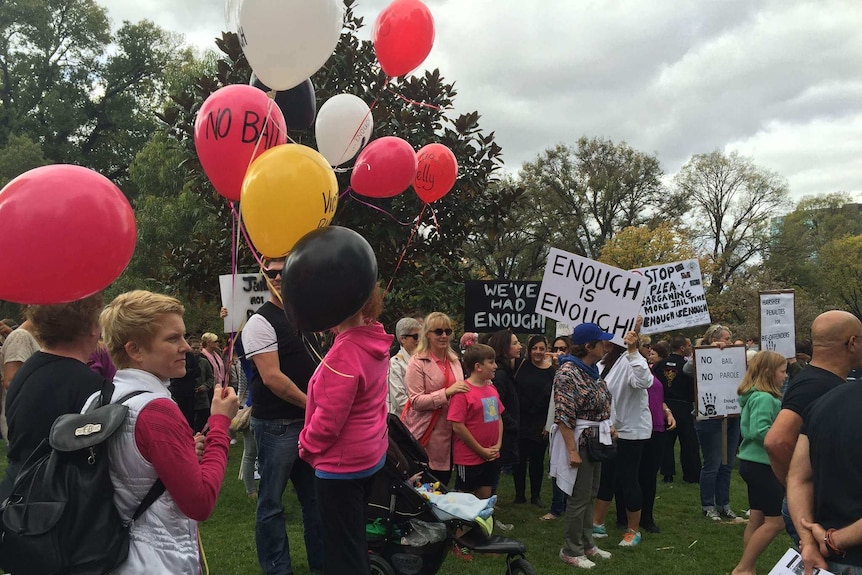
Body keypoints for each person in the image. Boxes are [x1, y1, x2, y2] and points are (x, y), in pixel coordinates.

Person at [97, 290, 238, 574]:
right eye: (173, 338)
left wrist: (184, 450)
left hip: (113, 553)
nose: (186, 346)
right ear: (134, 350)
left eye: (184, 336)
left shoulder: (100, 398)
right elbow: (199, 503)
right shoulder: (157, 410)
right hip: (159, 560)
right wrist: (221, 425)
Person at [298, 288, 392, 575]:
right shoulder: (373, 336)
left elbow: (328, 421)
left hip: (341, 466)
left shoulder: (346, 352)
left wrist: (305, 444)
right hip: (368, 456)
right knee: (353, 542)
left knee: (342, 555)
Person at [241, 257, 323, 575]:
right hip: (277, 426)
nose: (277, 277)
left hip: (308, 424)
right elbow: (273, 378)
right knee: (271, 504)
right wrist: (315, 405)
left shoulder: (308, 318)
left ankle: (321, 562)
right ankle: (277, 568)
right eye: (270, 272)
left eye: (283, 271)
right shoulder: (259, 322)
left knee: (316, 501)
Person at [764, 310, 862, 546]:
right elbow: (776, 441)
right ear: (852, 343)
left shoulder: (823, 380)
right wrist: (800, 488)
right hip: (819, 514)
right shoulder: (816, 385)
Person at [0, 295, 105, 501]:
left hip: (16, 492)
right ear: (93, 328)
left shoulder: (27, 371)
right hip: (58, 507)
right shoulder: (93, 387)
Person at [551, 323, 615, 569]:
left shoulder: (591, 370)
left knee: (590, 494)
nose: (605, 346)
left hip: (595, 438)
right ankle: (571, 549)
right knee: (579, 497)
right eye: (601, 343)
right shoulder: (568, 373)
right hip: (580, 440)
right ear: (589, 346)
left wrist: (607, 423)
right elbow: (564, 415)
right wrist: (572, 450)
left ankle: (587, 543)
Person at [787, 373, 862, 575]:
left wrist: (810, 541)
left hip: (826, 558)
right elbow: (799, 477)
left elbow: (798, 477)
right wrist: (830, 541)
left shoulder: (824, 403)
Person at [592, 327, 653, 547]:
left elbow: (645, 381)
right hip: (609, 429)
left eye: (608, 341)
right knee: (606, 477)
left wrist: (633, 350)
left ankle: (633, 530)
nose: (603, 344)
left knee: (628, 478)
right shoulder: (602, 363)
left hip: (631, 432)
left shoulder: (631, 360)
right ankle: (597, 523)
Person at [731, 351, 787, 575]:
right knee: (776, 522)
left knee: (757, 518)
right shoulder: (765, 398)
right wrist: (784, 442)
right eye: (782, 371)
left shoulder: (755, 395)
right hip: (763, 465)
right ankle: (743, 568)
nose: (785, 376)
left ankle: (748, 566)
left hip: (752, 463)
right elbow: (759, 430)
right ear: (768, 372)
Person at [401, 312, 469, 486]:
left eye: (448, 331)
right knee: (427, 487)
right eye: (439, 331)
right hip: (426, 434)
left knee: (445, 485)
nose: (444, 335)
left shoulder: (454, 360)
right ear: (428, 334)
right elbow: (415, 401)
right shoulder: (417, 361)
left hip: (452, 433)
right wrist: (446, 393)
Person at [688, 324, 742, 521]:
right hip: (710, 418)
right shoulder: (702, 355)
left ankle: (723, 504)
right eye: (726, 338)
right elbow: (687, 369)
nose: (728, 342)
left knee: (727, 464)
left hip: (732, 415)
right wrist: (708, 351)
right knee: (713, 463)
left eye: (729, 338)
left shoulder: (733, 356)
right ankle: (708, 505)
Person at [448, 343, 503, 499]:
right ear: (478, 366)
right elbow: (458, 426)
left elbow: (498, 417)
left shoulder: (491, 388)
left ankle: (482, 523)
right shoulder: (462, 392)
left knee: (485, 496)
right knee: (466, 500)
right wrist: (480, 450)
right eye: (491, 362)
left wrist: (497, 445)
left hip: (491, 455)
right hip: (469, 458)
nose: (495, 366)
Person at [513, 335, 554, 508]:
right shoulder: (520, 365)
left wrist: (548, 423)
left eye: (541, 348)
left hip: (540, 422)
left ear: (546, 349)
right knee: (519, 460)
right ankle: (519, 494)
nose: (538, 352)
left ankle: (536, 495)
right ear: (529, 350)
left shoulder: (552, 371)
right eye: (534, 348)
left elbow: (554, 399)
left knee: (537, 461)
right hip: (520, 419)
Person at [639, 341, 675, 534]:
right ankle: (628, 515)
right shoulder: (633, 371)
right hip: (639, 428)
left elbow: (658, 398)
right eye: (647, 349)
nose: (649, 352)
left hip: (658, 427)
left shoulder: (651, 371)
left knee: (649, 475)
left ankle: (647, 516)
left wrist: (667, 411)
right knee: (635, 474)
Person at [654, 335, 700, 484]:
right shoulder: (687, 366)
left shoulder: (660, 365)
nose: (690, 348)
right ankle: (691, 475)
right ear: (682, 347)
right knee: (689, 442)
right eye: (688, 345)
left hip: (665, 405)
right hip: (684, 405)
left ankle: (667, 474)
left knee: (667, 442)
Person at [541, 335, 574, 521]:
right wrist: (548, 424)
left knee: (569, 465)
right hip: (556, 423)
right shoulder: (554, 370)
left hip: (570, 425)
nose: (559, 352)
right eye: (556, 348)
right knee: (555, 466)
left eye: (564, 349)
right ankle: (556, 506)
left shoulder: (573, 369)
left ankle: (569, 504)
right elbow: (553, 402)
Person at [487, 329, 522, 495]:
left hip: (507, 428)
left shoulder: (506, 370)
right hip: (503, 430)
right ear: (504, 347)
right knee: (493, 471)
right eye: (514, 343)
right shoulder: (500, 374)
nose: (519, 346)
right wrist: (511, 423)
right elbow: (496, 403)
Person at [387, 317, 422, 415]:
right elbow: (400, 401)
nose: (419, 340)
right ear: (403, 339)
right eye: (415, 336)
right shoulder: (395, 365)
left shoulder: (422, 360)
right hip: (403, 422)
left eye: (421, 336)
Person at [169, 338, 202, 430]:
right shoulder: (172, 355)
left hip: (189, 390)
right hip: (176, 389)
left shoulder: (189, 356)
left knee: (190, 415)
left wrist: (187, 372)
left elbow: (197, 371)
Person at [192, 337, 215, 434]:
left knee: (204, 422)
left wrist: (205, 386)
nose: (196, 350)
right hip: (190, 398)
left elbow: (211, 377)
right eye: (193, 348)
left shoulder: (204, 362)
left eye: (198, 348)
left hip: (203, 397)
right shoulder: (184, 361)